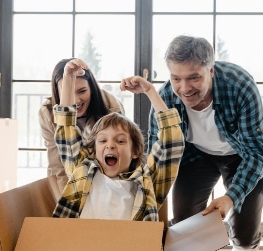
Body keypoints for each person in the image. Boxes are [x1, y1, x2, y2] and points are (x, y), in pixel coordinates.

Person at [146, 35, 263, 251]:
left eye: (194, 77)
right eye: (176, 78)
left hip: (242, 154)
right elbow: (157, 152)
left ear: (211, 70)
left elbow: (258, 152)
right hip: (195, 156)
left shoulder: (240, 86)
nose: (184, 88)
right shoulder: (165, 97)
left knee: (244, 229)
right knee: (185, 223)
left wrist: (230, 198)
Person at [51, 58, 183, 221]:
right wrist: (68, 78)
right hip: (84, 244)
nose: (110, 145)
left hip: (128, 246)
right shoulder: (82, 172)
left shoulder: (146, 182)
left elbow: (171, 144)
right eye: (102, 141)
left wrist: (150, 91)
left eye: (120, 141)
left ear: (135, 151)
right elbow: (66, 133)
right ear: (93, 150)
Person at [39, 58, 125, 191]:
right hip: (72, 182)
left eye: (82, 91)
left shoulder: (111, 107)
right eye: (66, 91)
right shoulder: (47, 113)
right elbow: (57, 167)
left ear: (92, 88)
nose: (75, 100)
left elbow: (119, 160)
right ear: (57, 91)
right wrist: (66, 204)